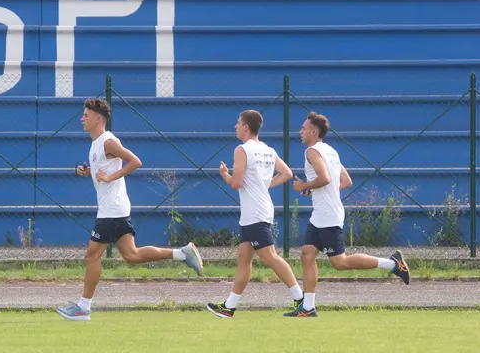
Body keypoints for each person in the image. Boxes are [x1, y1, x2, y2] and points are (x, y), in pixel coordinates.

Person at [55, 98, 203, 321]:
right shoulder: (97, 143)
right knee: (131, 255)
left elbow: (135, 161)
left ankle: (83, 308)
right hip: (115, 208)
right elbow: (105, 168)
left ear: (98, 119)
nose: (81, 119)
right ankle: (182, 253)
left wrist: (109, 177)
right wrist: (88, 171)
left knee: (92, 256)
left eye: (86, 115)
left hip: (111, 210)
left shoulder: (108, 141)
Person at [283, 112, 410, 317]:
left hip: (328, 216)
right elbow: (345, 181)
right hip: (321, 215)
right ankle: (308, 307)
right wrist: (313, 190)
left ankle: (392, 264)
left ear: (314, 132)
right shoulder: (331, 151)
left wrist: (304, 185)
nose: (300, 131)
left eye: (304, 128)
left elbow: (325, 178)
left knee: (340, 262)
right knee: (307, 254)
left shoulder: (311, 152)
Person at [206, 110, 302, 319]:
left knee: (270, 256)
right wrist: (264, 185)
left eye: (238, 123)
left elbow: (236, 183)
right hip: (255, 212)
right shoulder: (268, 150)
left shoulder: (242, 150)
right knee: (244, 259)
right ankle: (229, 307)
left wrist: (225, 175)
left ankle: (301, 298)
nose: (235, 126)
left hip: (256, 213)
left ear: (246, 127)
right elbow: (286, 173)